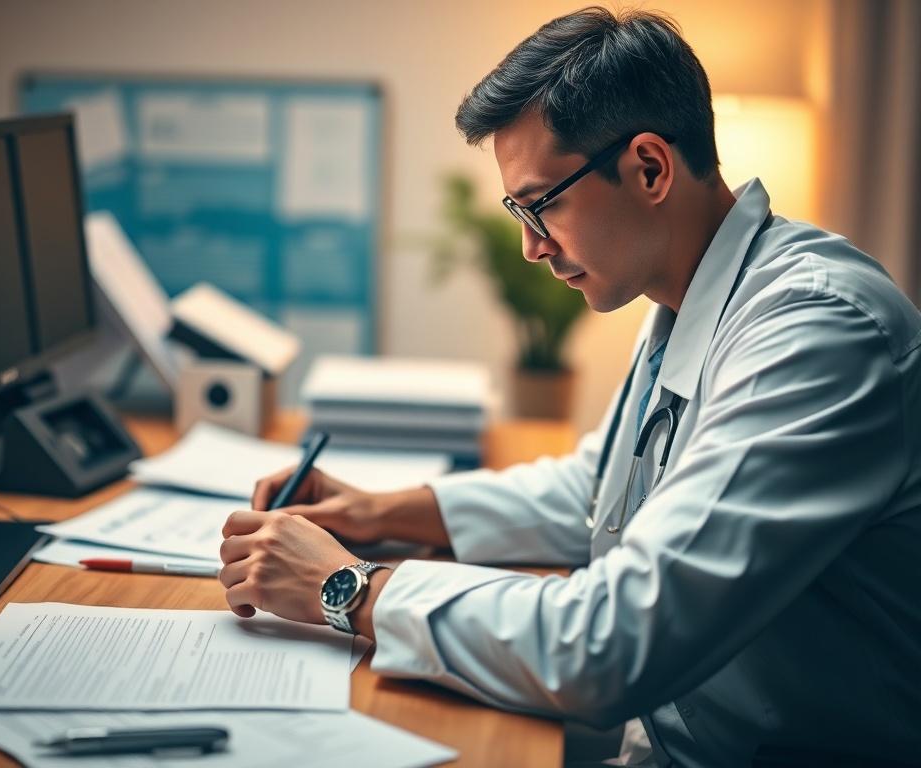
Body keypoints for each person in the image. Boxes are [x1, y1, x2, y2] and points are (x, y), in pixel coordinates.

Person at [219, 7, 921, 766]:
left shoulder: (818, 332)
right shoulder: (693, 296)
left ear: (649, 167)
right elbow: (597, 491)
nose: (529, 245)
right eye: (517, 210)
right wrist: (381, 511)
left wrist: (351, 590)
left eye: (540, 202)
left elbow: (611, 643)